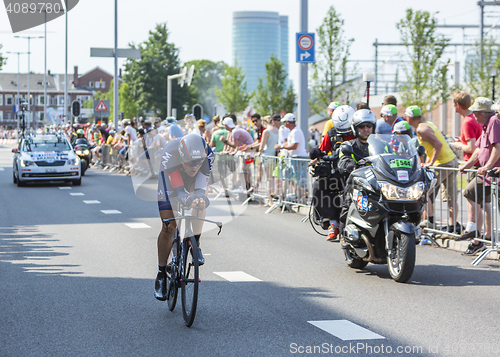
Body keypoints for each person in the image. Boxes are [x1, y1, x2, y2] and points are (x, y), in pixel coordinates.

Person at [154, 134, 214, 301]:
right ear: (182, 155)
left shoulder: (207, 154)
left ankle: (196, 242)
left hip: (193, 181)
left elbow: (201, 183)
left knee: (199, 200)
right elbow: (179, 192)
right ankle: (161, 273)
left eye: (198, 162)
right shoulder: (170, 153)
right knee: (169, 226)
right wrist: (182, 197)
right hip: (171, 178)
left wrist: (200, 197)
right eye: (190, 162)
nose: (194, 166)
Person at [407, 107, 461, 233]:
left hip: (442, 163)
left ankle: (430, 222)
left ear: (409, 118)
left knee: (425, 191)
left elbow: (438, 144)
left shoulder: (421, 128)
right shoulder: (428, 124)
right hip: (451, 160)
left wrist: (430, 163)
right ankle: (453, 226)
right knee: (451, 196)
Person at [459, 97, 500, 255]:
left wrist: (488, 166)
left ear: (483, 113)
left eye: (476, 112)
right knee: (477, 197)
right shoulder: (486, 124)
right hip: (488, 172)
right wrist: (467, 166)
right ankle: (479, 237)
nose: (473, 115)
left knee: (470, 192)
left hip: (492, 173)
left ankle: (473, 230)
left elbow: (497, 147)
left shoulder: (494, 122)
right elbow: (478, 150)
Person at [309, 105, 356, 241]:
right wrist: (316, 159)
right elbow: (321, 150)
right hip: (339, 173)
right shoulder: (331, 134)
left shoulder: (361, 132)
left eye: (348, 131)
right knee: (319, 185)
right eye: (342, 131)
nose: (346, 134)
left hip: (360, 172)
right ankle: (332, 222)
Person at [450, 91, 483, 241]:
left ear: (457, 105)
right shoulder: (474, 119)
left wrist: (457, 145)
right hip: (479, 163)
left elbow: (472, 147)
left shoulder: (467, 121)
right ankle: (480, 235)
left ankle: (473, 231)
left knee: (472, 198)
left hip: (474, 164)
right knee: (482, 202)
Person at [338, 109, 377, 234]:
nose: (365, 129)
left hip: (378, 185)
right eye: (361, 126)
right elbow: (342, 160)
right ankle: (345, 234)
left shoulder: (381, 144)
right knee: (348, 203)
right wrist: (349, 165)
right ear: (355, 128)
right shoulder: (349, 145)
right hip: (358, 186)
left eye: (369, 126)